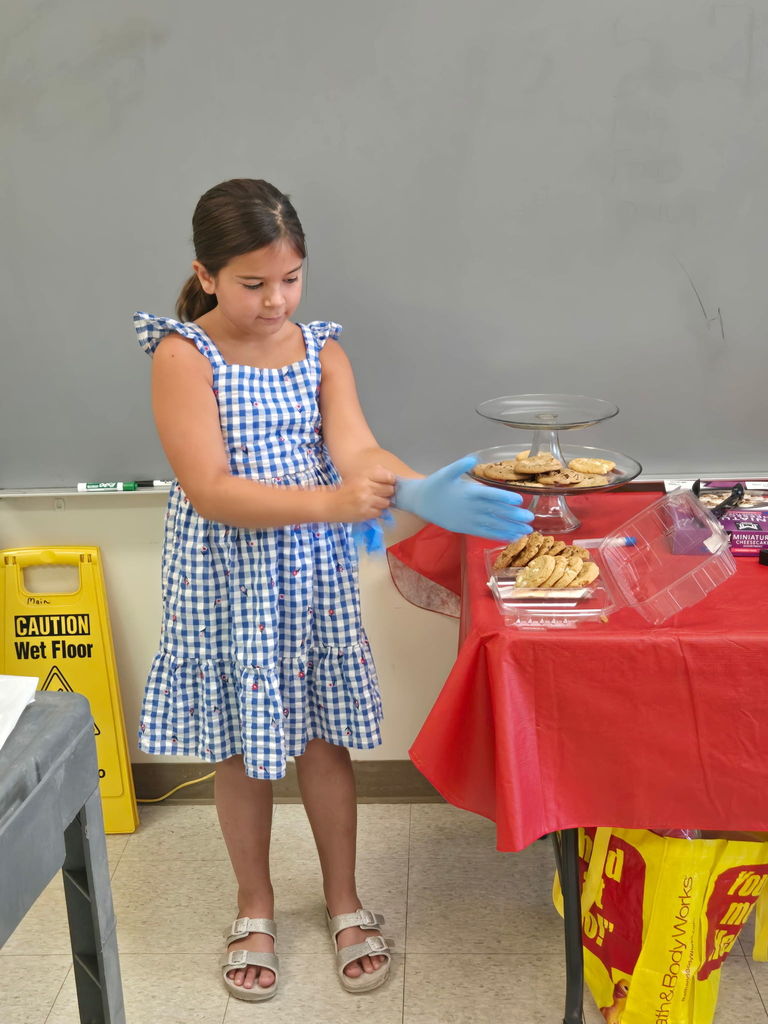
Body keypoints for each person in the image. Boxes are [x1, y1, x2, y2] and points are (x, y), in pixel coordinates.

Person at [134, 178, 533, 1002]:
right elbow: (212, 490)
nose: (276, 300)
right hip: (224, 576)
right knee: (240, 746)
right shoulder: (183, 354)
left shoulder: (322, 350)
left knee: (322, 738)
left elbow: (357, 452)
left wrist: (414, 488)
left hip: (309, 574)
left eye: (291, 278)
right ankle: (254, 905)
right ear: (206, 275)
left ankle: (345, 901)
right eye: (252, 283)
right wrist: (333, 503)